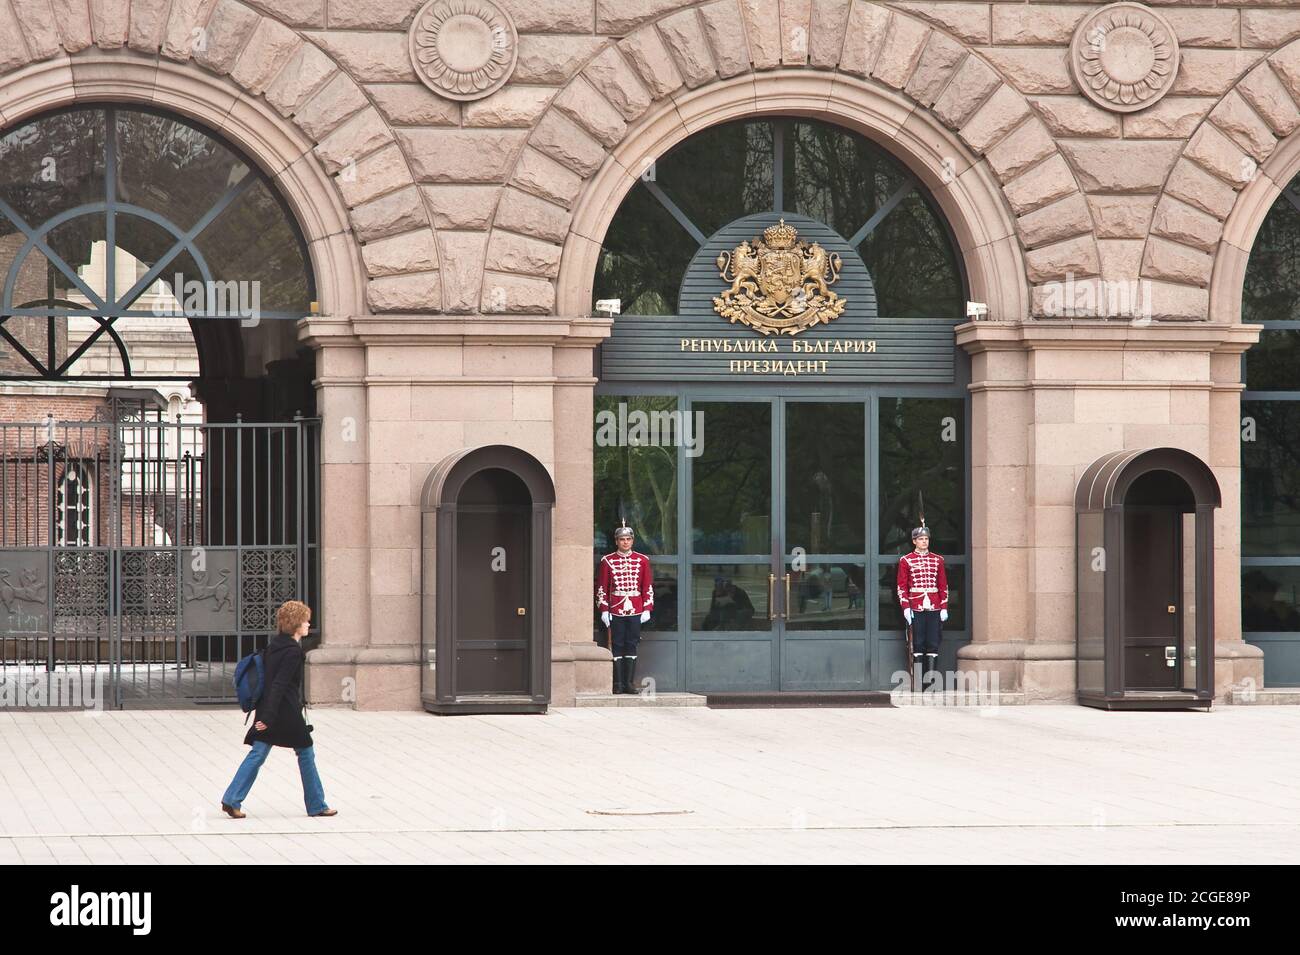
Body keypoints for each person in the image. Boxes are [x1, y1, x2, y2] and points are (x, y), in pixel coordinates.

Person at [220, 600, 336, 818]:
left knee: (258, 753)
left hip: (270, 709)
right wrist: (269, 717)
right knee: (306, 751)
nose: (309, 624)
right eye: (305, 620)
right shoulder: (292, 651)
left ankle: (232, 799)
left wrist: (264, 715)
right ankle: (317, 805)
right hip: (285, 712)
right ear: (296, 624)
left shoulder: (274, 647)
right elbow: (280, 684)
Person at [596, 524, 654, 694]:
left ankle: (629, 684)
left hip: (636, 608)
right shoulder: (607, 561)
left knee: (632, 644)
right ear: (616, 541)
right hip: (616, 608)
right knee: (617, 644)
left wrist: (647, 608)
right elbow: (602, 588)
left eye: (628, 539)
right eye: (622, 539)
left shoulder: (642, 560)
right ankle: (618, 684)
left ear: (632, 540)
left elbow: (647, 586)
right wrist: (604, 609)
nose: (625, 542)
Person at [897, 526, 949, 689]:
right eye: (920, 539)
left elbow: (943, 585)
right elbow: (902, 586)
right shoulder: (906, 560)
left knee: (933, 643)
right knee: (917, 643)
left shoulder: (937, 560)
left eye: (926, 539)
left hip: (934, 606)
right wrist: (906, 607)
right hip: (916, 605)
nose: (924, 541)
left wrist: (944, 606)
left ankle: (931, 682)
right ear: (914, 541)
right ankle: (918, 682)